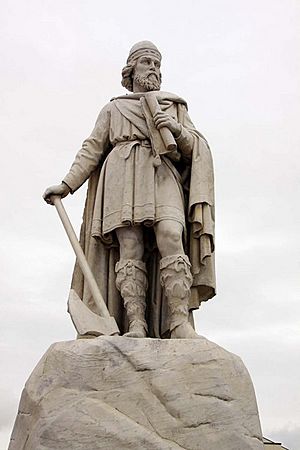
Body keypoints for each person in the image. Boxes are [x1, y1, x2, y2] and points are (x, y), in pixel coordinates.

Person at [43, 41, 216, 339]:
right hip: (122, 176)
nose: (153, 68)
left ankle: (178, 322)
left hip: (162, 172)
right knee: (130, 247)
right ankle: (135, 323)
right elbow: (92, 148)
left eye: (157, 64)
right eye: (147, 62)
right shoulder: (114, 108)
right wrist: (67, 184)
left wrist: (176, 129)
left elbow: (194, 150)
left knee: (172, 236)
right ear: (131, 69)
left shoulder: (173, 106)